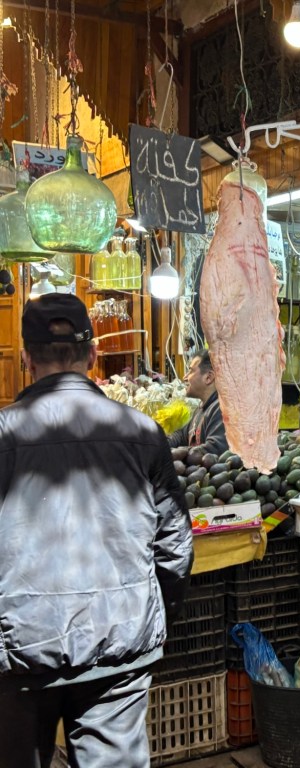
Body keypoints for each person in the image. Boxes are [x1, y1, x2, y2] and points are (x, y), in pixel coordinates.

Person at [0, 293, 193, 768]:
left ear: (25, 359)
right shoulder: (144, 433)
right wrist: (151, 615)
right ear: (92, 355)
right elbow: (174, 547)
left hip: (21, 649)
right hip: (118, 643)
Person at [169, 349, 228, 456]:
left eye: (191, 371)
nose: (185, 377)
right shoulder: (202, 408)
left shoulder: (221, 409)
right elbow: (181, 435)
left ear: (208, 377)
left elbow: (213, 450)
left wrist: (174, 454)